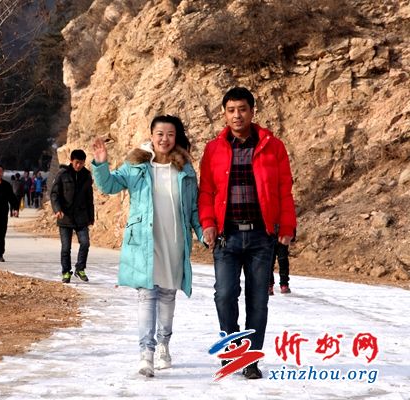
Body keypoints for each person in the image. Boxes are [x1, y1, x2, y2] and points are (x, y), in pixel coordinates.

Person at [91, 115, 204, 378]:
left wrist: (202, 232)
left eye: (170, 134)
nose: (165, 139)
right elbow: (109, 186)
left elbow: (193, 209)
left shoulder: (185, 170)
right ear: (151, 136)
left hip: (174, 241)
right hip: (144, 241)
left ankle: (164, 344)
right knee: (146, 295)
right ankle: (146, 353)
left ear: (176, 137)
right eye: (160, 134)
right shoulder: (136, 166)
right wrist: (101, 163)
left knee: (167, 295)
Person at [198, 87, 296, 379]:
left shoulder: (273, 146)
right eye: (231, 110)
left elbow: (284, 189)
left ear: (253, 111)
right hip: (226, 236)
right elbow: (206, 191)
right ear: (224, 113)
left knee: (258, 300)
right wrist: (207, 222)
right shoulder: (213, 149)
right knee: (224, 295)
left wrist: (287, 226)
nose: (237, 115)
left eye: (242, 109)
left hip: (261, 237)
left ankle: (251, 358)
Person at [50, 149, 94, 284]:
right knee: (66, 248)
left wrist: (91, 216)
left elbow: (89, 198)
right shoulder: (62, 174)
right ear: (71, 161)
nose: (79, 165)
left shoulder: (87, 176)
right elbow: (54, 194)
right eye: (76, 163)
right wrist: (57, 209)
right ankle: (66, 272)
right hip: (65, 216)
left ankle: (80, 268)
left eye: (81, 163)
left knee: (85, 243)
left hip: (81, 216)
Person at [269, 228, 295, 295]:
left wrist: (293, 238)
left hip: (283, 237)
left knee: (283, 262)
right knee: (269, 263)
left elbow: (290, 223)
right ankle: (269, 285)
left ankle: (284, 285)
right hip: (269, 237)